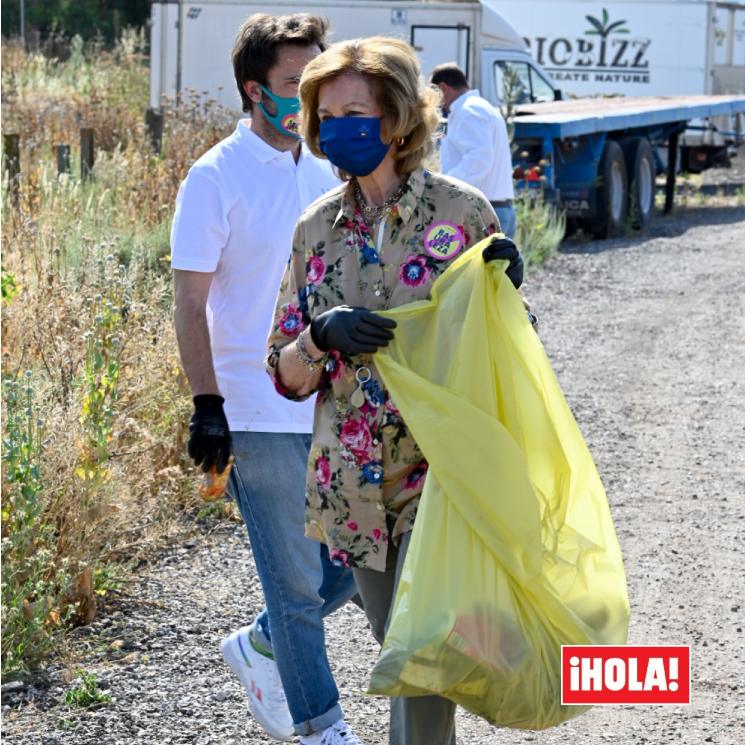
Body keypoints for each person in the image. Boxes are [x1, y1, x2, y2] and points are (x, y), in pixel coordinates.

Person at [265, 36, 524, 745]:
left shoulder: (461, 213)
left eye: (357, 110)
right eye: (325, 114)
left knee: (421, 659)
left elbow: (510, 346)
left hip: (440, 478)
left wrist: (507, 288)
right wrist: (320, 336)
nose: (338, 127)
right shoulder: (313, 231)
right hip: (352, 489)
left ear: (399, 118)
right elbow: (285, 374)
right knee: (406, 654)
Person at [171, 13, 364, 745]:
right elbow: (190, 304)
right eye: (294, 83)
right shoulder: (214, 177)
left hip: (330, 400)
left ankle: (259, 642)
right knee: (294, 582)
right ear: (255, 90)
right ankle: (322, 725)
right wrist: (207, 405)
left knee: (353, 559)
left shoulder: (327, 171)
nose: (308, 96)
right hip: (254, 407)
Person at [430, 62, 517, 239]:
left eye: (433, 94)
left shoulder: (468, 111)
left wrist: (441, 186)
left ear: (443, 89)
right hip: (494, 208)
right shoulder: (480, 107)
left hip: (482, 212)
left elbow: (478, 161)